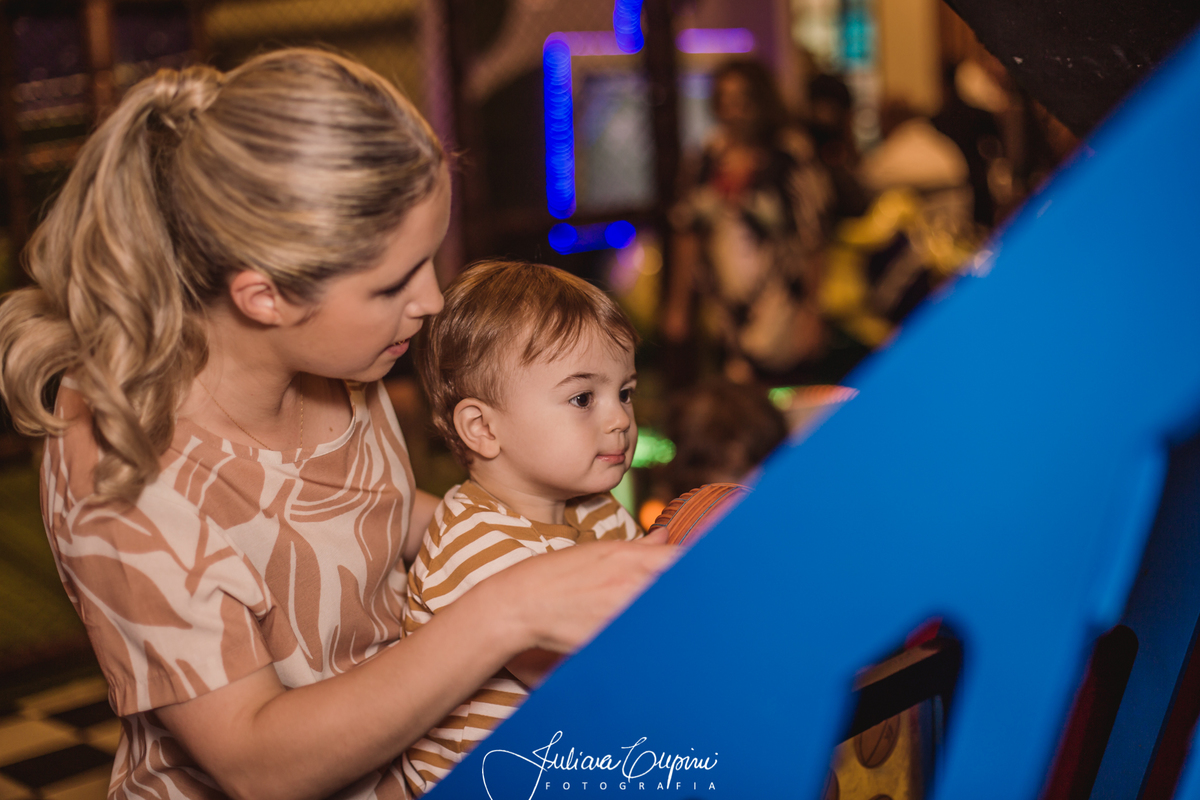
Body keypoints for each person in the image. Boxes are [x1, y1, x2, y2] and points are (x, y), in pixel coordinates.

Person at [0, 49, 672, 800]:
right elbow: (256, 764)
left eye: (428, 261)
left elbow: (375, 518)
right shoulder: (119, 455)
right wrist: (510, 607)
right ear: (264, 297)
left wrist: (581, 554)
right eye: (391, 284)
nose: (430, 301)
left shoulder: (344, 357)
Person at [403, 260, 642, 794]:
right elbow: (589, 686)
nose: (620, 419)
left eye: (624, 392)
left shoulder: (598, 509)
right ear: (483, 428)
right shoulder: (475, 542)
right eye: (583, 398)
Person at [664, 58, 834, 386]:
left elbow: (814, 236)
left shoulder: (790, 156)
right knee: (735, 395)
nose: (733, 110)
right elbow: (686, 233)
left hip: (782, 303)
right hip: (724, 307)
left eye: (743, 99)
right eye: (725, 99)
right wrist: (678, 306)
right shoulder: (704, 160)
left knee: (785, 393)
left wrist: (813, 311)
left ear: (762, 101)